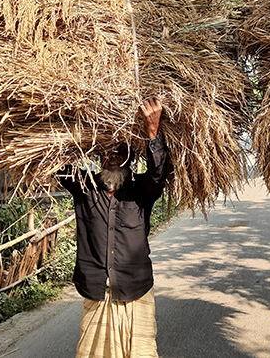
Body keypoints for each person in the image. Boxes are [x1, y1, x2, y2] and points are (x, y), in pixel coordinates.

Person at [57, 97, 168, 358]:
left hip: (135, 289)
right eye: (105, 151)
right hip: (96, 291)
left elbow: (158, 173)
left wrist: (152, 131)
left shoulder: (142, 190)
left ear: (130, 156)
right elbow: (57, 166)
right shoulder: (84, 188)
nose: (112, 156)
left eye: (119, 150)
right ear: (98, 156)